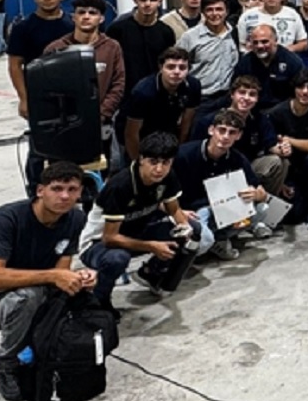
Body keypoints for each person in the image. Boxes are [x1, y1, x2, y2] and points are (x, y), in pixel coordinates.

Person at [0, 161, 93, 401]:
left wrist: (78, 277)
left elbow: (60, 273)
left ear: (80, 193)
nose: (64, 196)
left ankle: (45, 349)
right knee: (27, 298)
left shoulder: (75, 219)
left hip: (33, 290)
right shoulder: (8, 218)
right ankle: (6, 365)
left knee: (73, 292)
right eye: (57, 188)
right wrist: (53, 276)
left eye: (72, 190)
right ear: (40, 190)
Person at [78, 132, 201, 315]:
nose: (159, 169)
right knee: (117, 258)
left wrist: (185, 228)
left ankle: (152, 273)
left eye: (166, 163)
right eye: (153, 162)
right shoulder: (120, 186)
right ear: (141, 159)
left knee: (193, 229)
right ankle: (99, 301)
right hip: (98, 244)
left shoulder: (167, 177)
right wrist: (152, 246)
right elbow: (109, 238)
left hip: (137, 232)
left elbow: (174, 209)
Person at [174, 109, 270, 260]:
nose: (226, 136)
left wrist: (256, 194)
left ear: (238, 136)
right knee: (203, 242)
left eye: (232, 132)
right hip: (192, 210)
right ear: (211, 130)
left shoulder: (237, 159)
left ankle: (219, 239)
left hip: (222, 208)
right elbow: (164, 193)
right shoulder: (184, 155)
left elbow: (262, 193)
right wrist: (178, 212)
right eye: (222, 130)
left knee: (262, 209)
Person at [43, 0, 126, 161]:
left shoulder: (112, 47)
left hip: (100, 124)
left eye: (92, 13)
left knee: (101, 169)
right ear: (73, 17)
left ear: (101, 18)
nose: (86, 17)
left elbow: (118, 83)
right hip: (64, 127)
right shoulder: (55, 49)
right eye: (81, 12)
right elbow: (45, 87)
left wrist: (101, 114)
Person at [266, 70, 308, 231]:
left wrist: (288, 139)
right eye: (300, 87)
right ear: (294, 88)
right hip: (289, 165)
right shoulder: (277, 112)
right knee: (292, 217)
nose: (305, 92)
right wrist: (281, 181)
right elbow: (270, 145)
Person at [6, 0, 74, 119]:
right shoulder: (22, 28)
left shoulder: (73, 25)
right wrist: (23, 99)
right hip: (38, 92)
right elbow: (15, 66)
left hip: (72, 90)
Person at [122, 46, 202, 162]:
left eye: (182, 67)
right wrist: (138, 162)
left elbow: (186, 123)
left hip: (170, 131)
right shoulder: (143, 92)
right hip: (143, 134)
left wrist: (178, 152)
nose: (177, 72)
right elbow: (131, 134)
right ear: (161, 68)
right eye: (170, 67)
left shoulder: (193, 85)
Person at [107, 0, 176, 97]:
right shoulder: (117, 30)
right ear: (135, 0)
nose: (147, 4)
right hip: (125, 93)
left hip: (157, 93)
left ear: (160, 1)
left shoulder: (166, 32)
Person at [177, 0, 238, 100]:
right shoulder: (190, 37)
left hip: (227, 97)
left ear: (227, 12)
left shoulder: (235, 33)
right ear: (203, 12)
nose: (214, 14)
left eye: (219, 9)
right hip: (201, 98)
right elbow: (177, 64)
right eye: (209, 10)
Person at [234, 24, 305, 109]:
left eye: (264, 42)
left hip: (283, 110)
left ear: (275, 40)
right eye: (255, 42)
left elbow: (301, 93)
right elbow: (235, 90)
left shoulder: (292, 62)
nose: (259, 46)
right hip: (253, 109)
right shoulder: (245, 63)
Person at [237, 0, 308, 53]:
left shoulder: (292, 15)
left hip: (283, 58)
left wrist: (287, 50)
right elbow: (242, 45)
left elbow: (304, 43)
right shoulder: (247, 16)